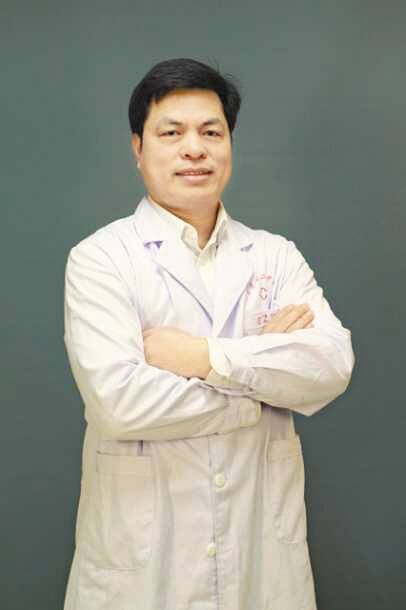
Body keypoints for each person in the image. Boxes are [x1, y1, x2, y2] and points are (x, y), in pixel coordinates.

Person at [62, 57, 354, 610]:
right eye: (171, 133)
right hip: (144, 570)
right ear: (138, 148)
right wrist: (261, 384)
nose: (194, 149)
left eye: (211, 132)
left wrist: (203, 356)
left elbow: (331, 366)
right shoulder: (101, 258)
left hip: (260, 560)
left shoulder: (275, 255)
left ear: (229, 144)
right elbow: (119, 403)